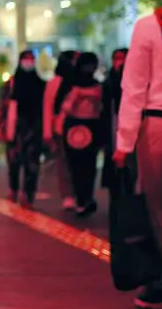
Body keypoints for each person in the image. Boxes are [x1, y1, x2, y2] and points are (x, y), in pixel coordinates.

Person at [113, 0, 162, 309]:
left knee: (160, 211)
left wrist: (124, 144)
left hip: (161, 126)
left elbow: (134, 88)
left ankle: (160, 287)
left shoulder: (150, 25)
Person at [0, 50, 46, 207]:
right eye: (26, 59)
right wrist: (0, 127)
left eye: (31, 59)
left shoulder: (40, 83)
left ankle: (28, 194)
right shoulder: (11, 83)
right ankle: (14, 189)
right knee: (13, 161)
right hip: (14, 127)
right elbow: (3, 106)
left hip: (35, 127)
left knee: (32, 162)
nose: (29, 62)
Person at [59, 52, 107, 216]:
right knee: (75, 164)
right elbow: (65, 107)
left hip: (93, 127)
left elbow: (103, 108)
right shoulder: (71, 84)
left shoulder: (99, 85)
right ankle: (80, 198)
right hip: (75, 127)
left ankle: (87, 197)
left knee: (90, 165)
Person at [43, 50, 80, 210]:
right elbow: (48, 107)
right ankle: (67, 195)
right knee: (63, 161)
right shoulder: (54, 82)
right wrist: (47, 132)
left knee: (80, 163)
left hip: (82, 128)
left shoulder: (84, 81)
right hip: (61, 127)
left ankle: (81, 194)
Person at [101, 48, 128, 189]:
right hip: (112, 125)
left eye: (121, 58)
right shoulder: (108, 81)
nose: (118, 62)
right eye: (115, 58)